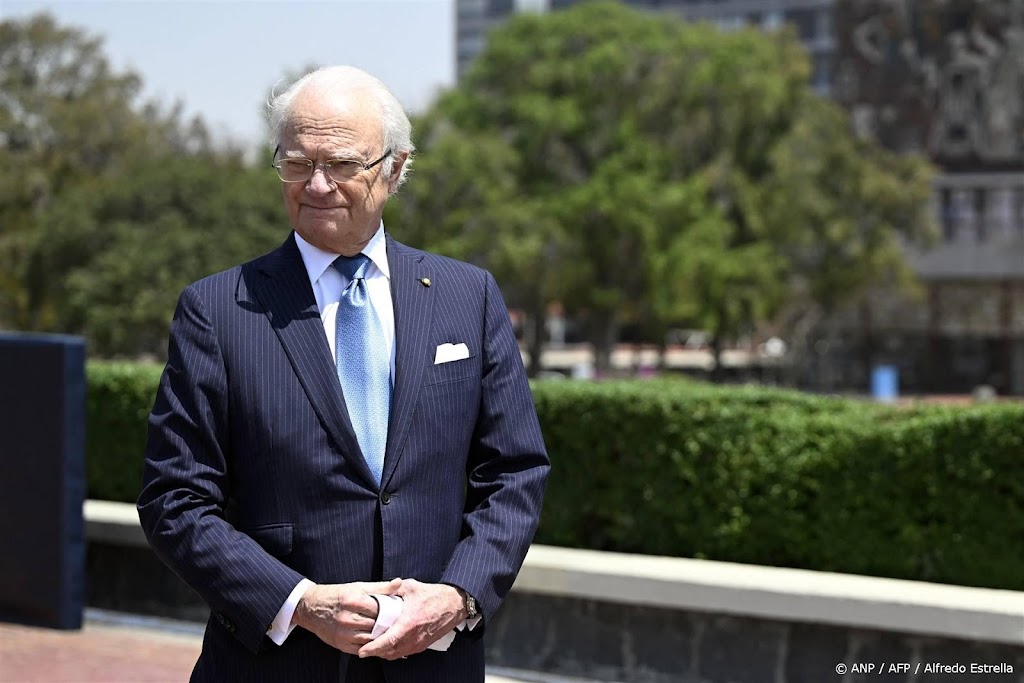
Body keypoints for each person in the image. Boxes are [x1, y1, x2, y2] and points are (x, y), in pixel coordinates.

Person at [137, 65, 550, 683]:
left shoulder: (469, 297)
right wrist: (299, 602)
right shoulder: (217, 310)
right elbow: (174, 498)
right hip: (275, 667)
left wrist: (459, 595)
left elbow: (514, 472)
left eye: (341, 164)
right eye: (297, 163)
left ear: (395, 167)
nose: (316, 184)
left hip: (433, 664)